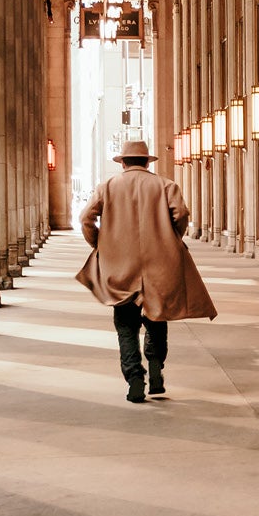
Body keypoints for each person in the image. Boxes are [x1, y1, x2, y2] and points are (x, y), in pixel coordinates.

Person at [77, 139, 216, 403]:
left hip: (120, 267)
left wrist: (100, 243)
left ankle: (134, 379)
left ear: (124, 162)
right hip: (160, 264)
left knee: (125, 324)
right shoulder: (165, 185)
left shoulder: (107, 187)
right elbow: (182, 214)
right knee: (157, 317)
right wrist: (171, 239)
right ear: (146, 162)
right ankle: (155, 370)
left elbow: (86, 219)